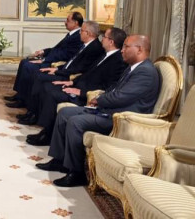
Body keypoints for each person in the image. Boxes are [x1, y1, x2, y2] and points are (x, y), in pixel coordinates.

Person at [36, 34, 160, 187]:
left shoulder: (145, 72)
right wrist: (100, 98)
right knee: (64, 113)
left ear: (140, 49)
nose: (122, 50)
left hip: (121, 118)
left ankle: (76, 173)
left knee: (75, 122)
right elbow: (113, 90)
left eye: (126, 47)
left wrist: (98, 100)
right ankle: (60, 160)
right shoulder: (133, 68)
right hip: (109, 110)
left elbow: (121, 97)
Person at [25, 27, 128, 146]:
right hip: (78, 85)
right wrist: (72, 82)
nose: (102, 39)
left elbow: (107, 86)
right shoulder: (105, 55)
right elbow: (87, 73)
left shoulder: (118, 61)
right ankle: (46, 130)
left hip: (86, 94)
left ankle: (47, 134)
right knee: (48, 86)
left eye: (104, 37)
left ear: (111, 42)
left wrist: (81, 91)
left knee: (51, 93)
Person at [15, 21, 105, 122]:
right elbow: (70, 62)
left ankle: (34, 115)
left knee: (40, 77)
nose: (79, 33)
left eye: (82, 31)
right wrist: (56, 68)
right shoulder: (86, 44)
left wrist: (58, 72)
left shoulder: (95, 48)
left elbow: (79, 69)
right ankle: (31, 111)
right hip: (64, 71)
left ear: (89, 33)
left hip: (69, 76)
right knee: (37, 74)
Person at [4, 12, 84, 107]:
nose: (65, 22)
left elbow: (64, 54)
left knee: (28, 66)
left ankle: (22, 100)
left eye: (67, 20)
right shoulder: (71, 34)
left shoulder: (78, 37)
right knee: (24, 62)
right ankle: (19, 95)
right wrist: (43, 51)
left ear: (75, 22)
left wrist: (44, 60)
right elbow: (56, 49)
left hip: (57, 64)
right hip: (52, 59)